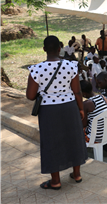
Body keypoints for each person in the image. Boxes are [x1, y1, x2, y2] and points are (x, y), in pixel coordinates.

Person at [26, 36, 87, 190]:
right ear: (60, 48)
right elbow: (77, 91)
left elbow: (30, 96)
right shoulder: (71, 66)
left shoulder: (36, 69)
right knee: (73, 138)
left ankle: (55, 181)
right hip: (69, 107)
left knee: (51, 142)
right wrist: (80, 108)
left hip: (49, 111)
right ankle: (77, 174)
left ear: (44, 49)